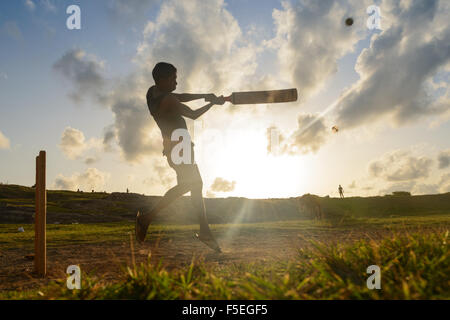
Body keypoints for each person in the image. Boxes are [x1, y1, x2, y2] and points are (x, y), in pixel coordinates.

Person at [135, 62, 225, 252]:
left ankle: (204, 230)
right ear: (162, 80)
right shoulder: (168, 101)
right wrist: (212, 103)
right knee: (191, 184)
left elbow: (180, 96)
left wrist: (204, 95)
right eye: (173, 78)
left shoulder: (152, 92)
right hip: (180, 146)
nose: (177, 81)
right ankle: (147, 218)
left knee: (194, 184)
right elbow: (193, 114)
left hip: (176, 146)